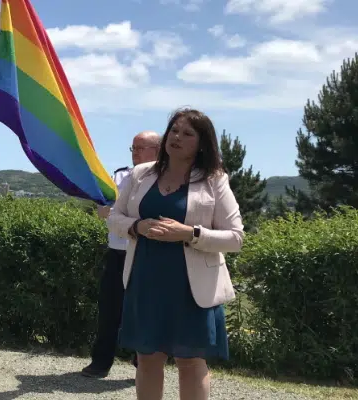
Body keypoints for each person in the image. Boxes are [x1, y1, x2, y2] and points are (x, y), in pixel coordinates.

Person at [108, 108, 244, 399]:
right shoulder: (140, 174)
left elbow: (235, 237)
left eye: (187, 133)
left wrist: (190, 234)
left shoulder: (214, 180)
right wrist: (137, 226)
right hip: (145, 280)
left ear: (202, 142)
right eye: (174, 130)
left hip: (192, 287)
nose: (177, 137)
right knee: (147, 359)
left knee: (192, 362)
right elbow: (114, 218)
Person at [81, 130, 160, 378]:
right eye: (133, 148)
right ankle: (101, 362)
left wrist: (119, 215)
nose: (135, 152)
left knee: (145, 311)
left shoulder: (164, 179)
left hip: (147, 254)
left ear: (157, 150)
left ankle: (143, 362)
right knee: (109, 309)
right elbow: (105, 206)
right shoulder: (120, 176)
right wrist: (104, 210)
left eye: (141, 147)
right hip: (118, 253)